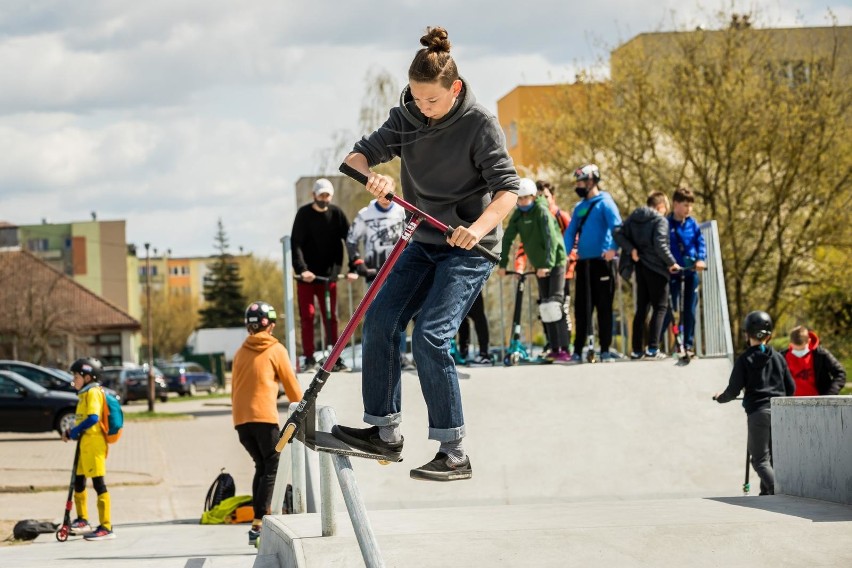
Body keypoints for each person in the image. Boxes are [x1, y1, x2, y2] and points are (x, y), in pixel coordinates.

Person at [332, 26, 519, 482]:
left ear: (454, 89)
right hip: (424, 240)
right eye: (417, 100)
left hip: (468, 249)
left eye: (432, 101)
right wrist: (375, 179)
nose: (424, 110)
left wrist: (475, 230)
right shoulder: (405, 118)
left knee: (431, 336)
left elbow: (508, 192)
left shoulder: (480, 123)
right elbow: (355, 159)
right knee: (379, 321)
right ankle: (384, 432)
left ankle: (454, 451)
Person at [231, 301, 303, 546]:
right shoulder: (275, 349)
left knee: (261, 466)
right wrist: (302, 408)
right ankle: (260, 523)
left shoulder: (240, 351)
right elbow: (292, 386)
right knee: (273, 463)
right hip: (263, 417)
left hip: (241, 421)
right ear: (269, 325)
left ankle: (257, 520)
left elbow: (234, 389)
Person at [713, 311, 795, 496]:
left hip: (758, 413)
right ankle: (766, 494)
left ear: (747, 334)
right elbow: (791, 387)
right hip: (780, 412)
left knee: (759, 460)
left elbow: (733, 391)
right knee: (773, 459)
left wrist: (720, 397)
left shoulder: (744, 360)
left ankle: (777, 490)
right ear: (770, 334)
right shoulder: (779, 358)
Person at [499, 178, 572, 363]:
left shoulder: (542, 211)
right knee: (545, 307)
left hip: (555, 262)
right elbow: (507, 238)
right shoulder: (518, 215)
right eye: (519, 199)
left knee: (554, 305)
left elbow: (551, 240)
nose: (522, 202)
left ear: (533, 196)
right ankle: (554, 348)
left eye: (525, 198)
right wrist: (502, 264)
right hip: (540, 265)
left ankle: (564, 349)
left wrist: (547, 264)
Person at [291, 178, 356, 372]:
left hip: (329, 277)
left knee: (331, 317)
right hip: (308, 277)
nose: (324, 199)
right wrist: (302, 270)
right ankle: (309, 358)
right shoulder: (304, 215)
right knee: (308, 316)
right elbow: (296, 244)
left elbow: (349, 240)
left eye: (327, 196)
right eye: (321, 196)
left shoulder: (336, 214)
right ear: (314, 195)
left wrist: (352, 267)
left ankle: (335, 359)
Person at [562, 164, 623, 362]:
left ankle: (604, 349)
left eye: (580, 182)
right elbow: (571, 232)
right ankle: (578, 350)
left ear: (591, 181)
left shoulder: (605, 202)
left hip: (602, 263)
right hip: (583, 263)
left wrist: (613, 248)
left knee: (604, 307)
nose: (578, 186)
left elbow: (617, 228)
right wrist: (565, 253)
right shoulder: (579, 207)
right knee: (582, 308)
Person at [344, 194, 413, 370]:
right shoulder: (366, 213)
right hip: (374, 274)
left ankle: (401, 356)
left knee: (399, 313)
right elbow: (351, 239)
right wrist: (358, 262)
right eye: (382, 193)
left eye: (390, 192)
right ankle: (376, 357)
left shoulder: (402, 212)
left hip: (398, 271)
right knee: (374, 315)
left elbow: (413, 239)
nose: (386, 197)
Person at [614, 191, 680, 359]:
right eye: (665, 208)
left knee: (641, 309)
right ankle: (652, 348)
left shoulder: (634, 218)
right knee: (660, 307)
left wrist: (632, 250)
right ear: (660, 207)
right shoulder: (660, 221)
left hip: (641, 268)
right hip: (657, 269)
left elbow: (618, 233)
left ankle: (636, 350)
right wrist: (672, 263)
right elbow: (660, 245)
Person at [62, 357, 114, 540]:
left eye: (76, 376)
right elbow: (83, 420)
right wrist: (71, 432)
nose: (73, 380)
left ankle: (106, 527)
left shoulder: (93, 393)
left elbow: (92, 418)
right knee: (79, 482)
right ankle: (83, 519)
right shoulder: (83, 394)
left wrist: (76, 430)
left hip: (94, 445)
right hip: (85, 444)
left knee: (99, 484)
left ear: (87, 377)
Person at [662, 187, 706, 356]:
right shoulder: (665, 224)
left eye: (690, 206)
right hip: (673, 273)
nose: (688, 209)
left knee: (689, 310)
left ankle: (688, 344)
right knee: (669, 309)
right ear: (675, 204)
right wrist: (668, 263)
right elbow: (662, 245)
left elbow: (700, 242)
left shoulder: (692, 224)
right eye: (685, 205)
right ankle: (659, 343)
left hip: (689, 272)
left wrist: (701, 258)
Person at [781, 325, 846, 396]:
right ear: (791, 344)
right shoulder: (782, 357)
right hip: (790, 404)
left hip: (819, 403)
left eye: (802, 348)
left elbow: (840, 373)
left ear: (809, 341)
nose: (799, 352)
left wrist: (829, 395)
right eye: (796, 349)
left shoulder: (821, 354)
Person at [456, 291, 493, 366]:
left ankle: (484, 354)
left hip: (472, 284)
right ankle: (463, 353)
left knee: (478, 317)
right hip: (459, 286)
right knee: (461, 318)